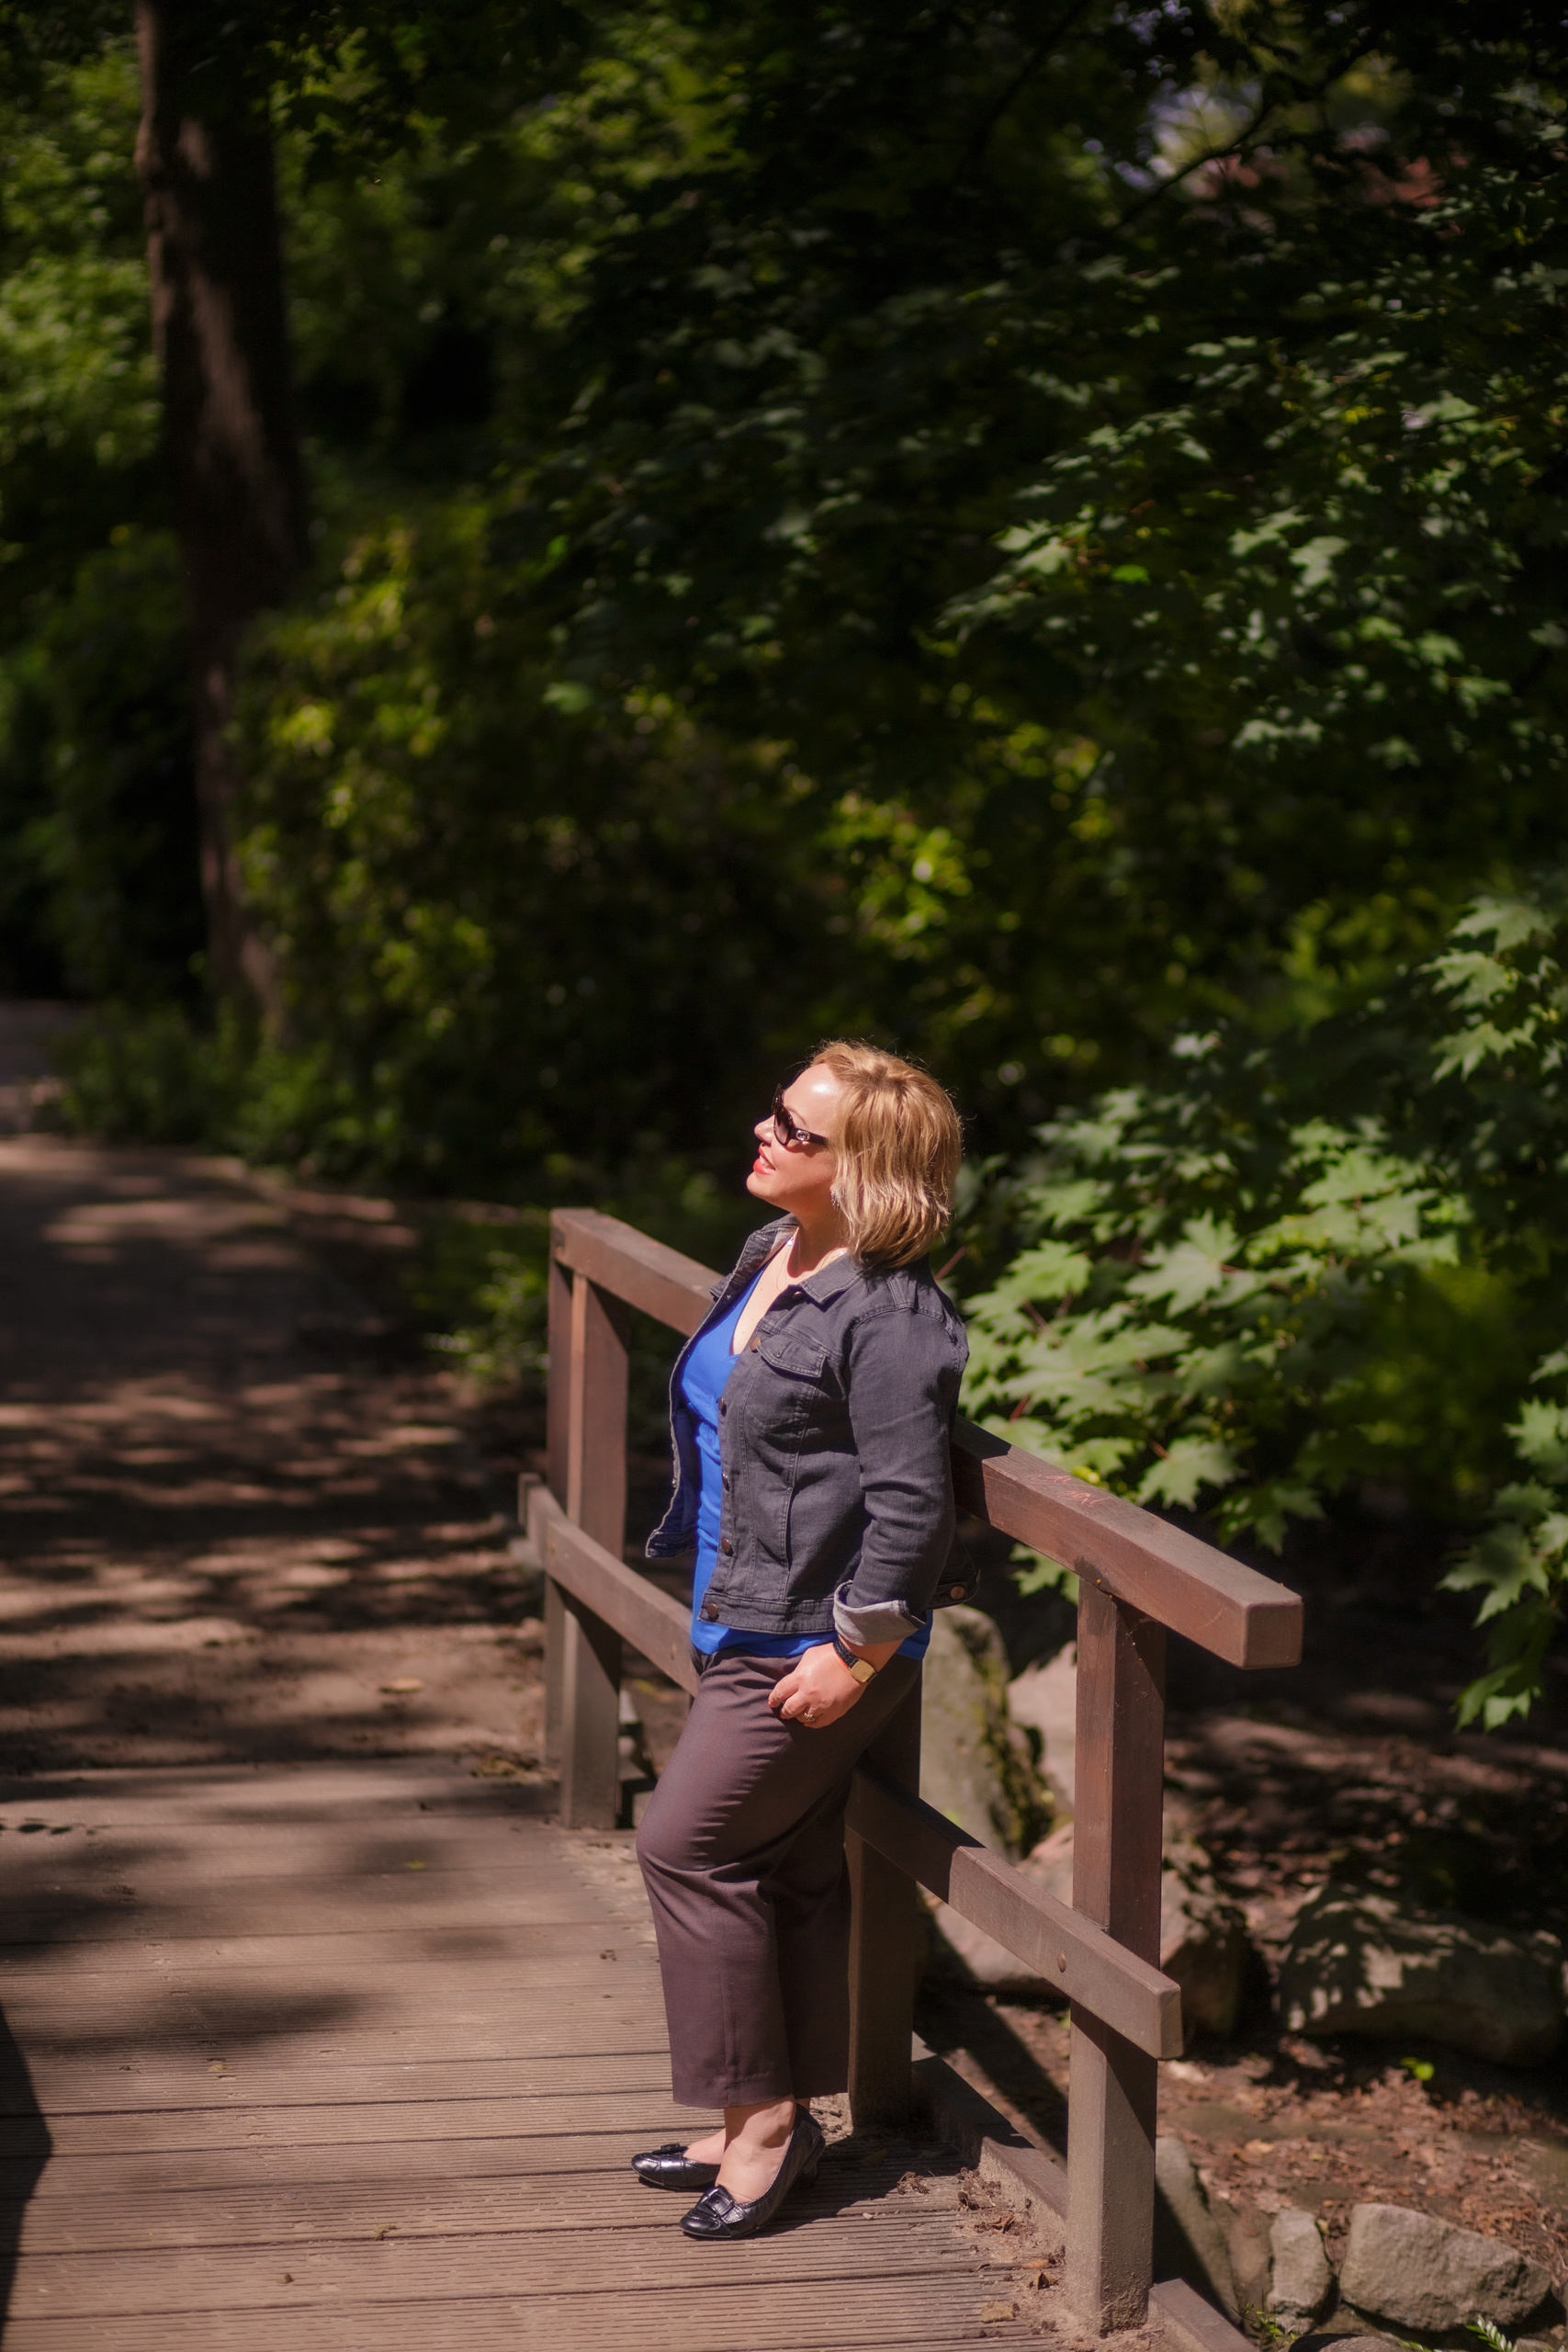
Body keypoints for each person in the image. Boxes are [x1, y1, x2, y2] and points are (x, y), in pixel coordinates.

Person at [630, 1040, 967, 2243]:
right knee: (786, 1866)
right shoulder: (775, 1249)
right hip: (739, 1608)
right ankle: (769, 2117)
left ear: (863, 1169)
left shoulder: (893, 1315)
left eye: (798, 1131)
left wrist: (856, 1653)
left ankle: (763, 2127)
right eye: (776, 1112)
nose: (766, 1134)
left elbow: (913, 1506)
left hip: (809, 1641)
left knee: (685, 1848)